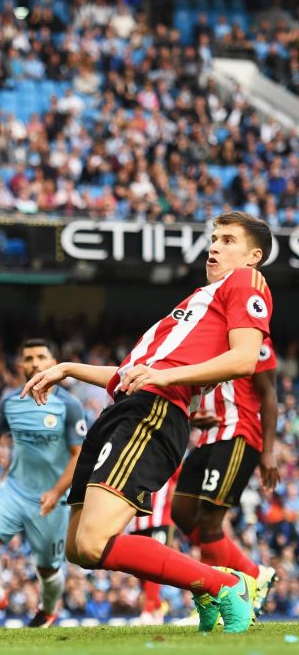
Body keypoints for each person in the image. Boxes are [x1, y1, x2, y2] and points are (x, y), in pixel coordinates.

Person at [22, 211, 274, 634]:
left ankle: (225, 584)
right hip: (123, 410)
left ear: (254, 256)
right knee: (78, 550)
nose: (214, 246)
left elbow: (246, 358)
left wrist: (166, 377)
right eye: (214, 238)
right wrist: (66, 367)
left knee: (93, 541)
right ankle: (207, 583)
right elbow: (126, 376)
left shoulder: (247, 282)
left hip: (154, 412)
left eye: (228, 240)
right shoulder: (196, 302)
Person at [0, 339, 85, 629]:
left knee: (47, 568)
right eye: (28, 358)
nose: (35, 363)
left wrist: (56, 491)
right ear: (20, 366)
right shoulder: (11, 401)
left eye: (41, 356)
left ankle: (47, 611)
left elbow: (78, 456)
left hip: (52, 499)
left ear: (53, 363)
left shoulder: (69, 405)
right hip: (15, 489)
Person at [171, 336, 280, 614]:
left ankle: (220, 601)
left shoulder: (255, 340)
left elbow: (268, 393)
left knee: (210, 522)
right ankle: (253, 574)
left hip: (239, 434)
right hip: (208, 437)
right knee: (181, 514)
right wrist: (193, 418)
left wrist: (268, 452)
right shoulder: (202, 335)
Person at [128, 471, 179, 624]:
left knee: (154, 564)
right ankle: (156, 607)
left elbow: (180, 481)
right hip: (136, 520)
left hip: (161, 519)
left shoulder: (169, 453)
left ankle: (148, 611)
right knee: (139, 568)